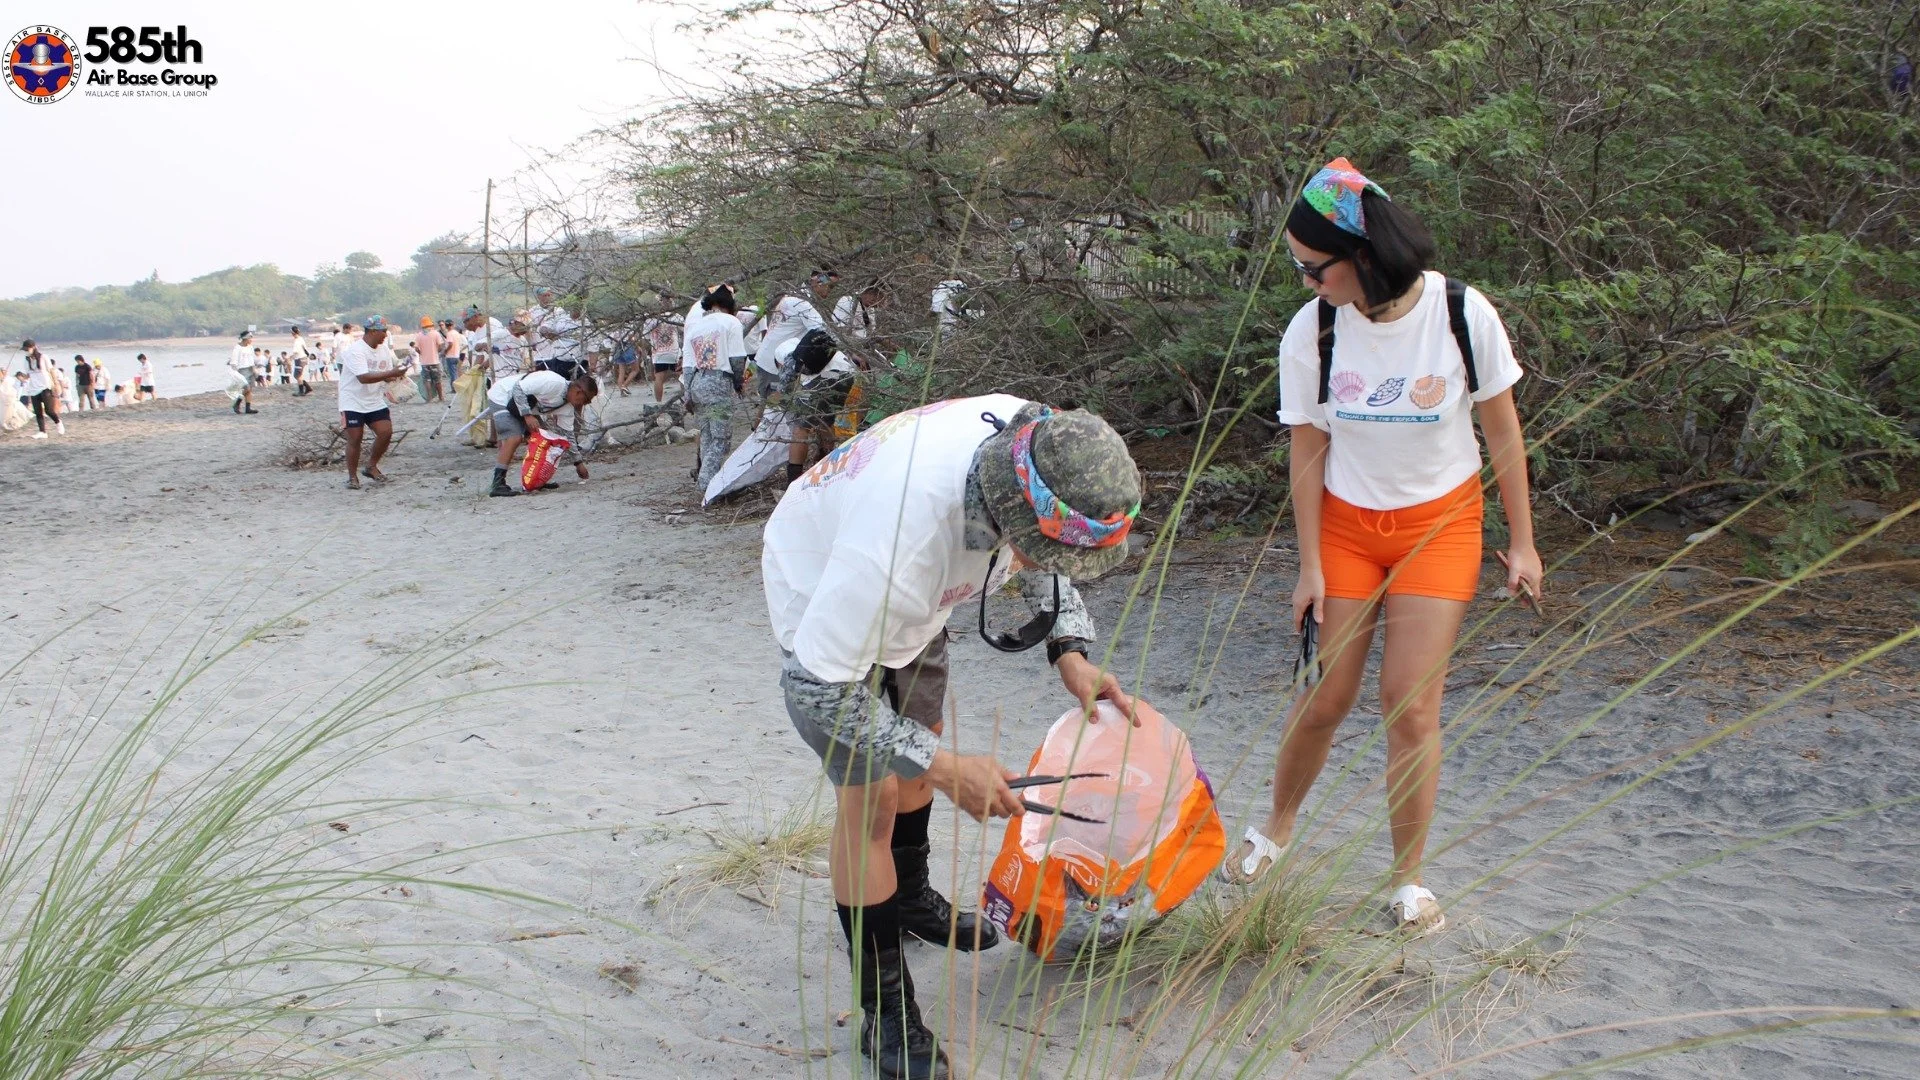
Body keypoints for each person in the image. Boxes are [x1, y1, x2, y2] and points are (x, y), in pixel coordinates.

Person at [763, 396, 1152, 1078]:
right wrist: (946, 769)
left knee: (920, 744)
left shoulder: (1041, 437)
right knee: (874, 799)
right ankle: (886, 1017)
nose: (1038, 556)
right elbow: (817, 693)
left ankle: (908, 896)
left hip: (915, 605)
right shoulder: (893, 549)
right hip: (825, 593)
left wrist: (1071, 650)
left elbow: (1051, 540)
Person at [1222, 158, 1542, 934]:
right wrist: (1310, 565)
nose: (1306, 283)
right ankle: (1276, 827)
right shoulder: (1316, 330)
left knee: (1409, 703)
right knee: (1328, 694)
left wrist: (1524, 544)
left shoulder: (1463, 314)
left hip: (1442, 526)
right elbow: (1306, 452)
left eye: (1313, 268)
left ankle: (1407, 881)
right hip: (1347, 526)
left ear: (1361, 256)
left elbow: (1501, 432)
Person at [481, 369, 597, 497]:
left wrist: (578, 463)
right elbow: (518, 388)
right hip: (502, 396)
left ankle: (536, 480)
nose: (584, 404)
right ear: (578, 391)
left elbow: (568, 435)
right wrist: (527, 415)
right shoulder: (552, 382)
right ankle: (497, 483)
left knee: (546, 439)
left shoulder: (567, 406)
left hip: (521, 406)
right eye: (586, 400)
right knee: (514, 437)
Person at [683, 284, 752, 488]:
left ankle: (707, 482)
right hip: (718, 383)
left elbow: (687, 365)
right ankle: (706, 485)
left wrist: (688, 394)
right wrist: (738, 382)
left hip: (696, 384)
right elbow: (737, 358)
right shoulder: (731, 322)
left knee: (706, 437)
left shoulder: (695, 327)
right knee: (721, 440)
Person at [336, 316, 413, 490]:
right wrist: (389, 374)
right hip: (352, 400)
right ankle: (352, 477)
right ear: (372, 331)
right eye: (383, 331)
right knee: (355, 438)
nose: (385, 335)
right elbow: (363, 377)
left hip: (373, 399)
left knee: (386, 432)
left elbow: (385, 373)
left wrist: (395, 375)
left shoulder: (384, 349)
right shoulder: (355, 350)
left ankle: (371, 466)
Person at [779, 329, 858, 481]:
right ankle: (827, 464)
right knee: (826, 419)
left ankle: (793, 479)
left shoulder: (789, 359)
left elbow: (784, 389)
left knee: (801, 427)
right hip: (846, 374)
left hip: (823, 379)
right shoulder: (810, 347)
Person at [753, 270, 835, 405]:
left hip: (768, 359)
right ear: (818, 283)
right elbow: (822, 331)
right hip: (775, 363)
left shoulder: (790, 297)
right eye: (830, 286)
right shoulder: (801, 303)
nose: (830, 291)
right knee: (775, 410)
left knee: (774, 408)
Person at [13, 340, 64, 437]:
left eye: (27, 349)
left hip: (45, 386)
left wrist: (56, 384)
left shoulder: (43, 357)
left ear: (33, 347)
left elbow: (51, 370)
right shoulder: (26, 360)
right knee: (38, 411)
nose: (26, 351)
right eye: (25, 350)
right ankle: (42, 432)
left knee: (49, 410)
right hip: (33, 388)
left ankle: (58, 422)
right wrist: (20, 377)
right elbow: (28, 375)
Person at [643, 304, 682, 403]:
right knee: (680, 376)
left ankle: (659, 402)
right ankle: (686, 400)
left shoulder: (650, 319)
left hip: (659, 353)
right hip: (674, 352)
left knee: (659, 378)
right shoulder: (675, 316)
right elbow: (683, 329)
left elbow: (646, 337)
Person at [227, 331, 260, 415]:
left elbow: (251, 360)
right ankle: (236, 403)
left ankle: (248, 408)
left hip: (250, 369)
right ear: (245, 338)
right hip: (241, 370)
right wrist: (235, 373)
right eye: (250, 338)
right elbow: (233, 362)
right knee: (246, 388)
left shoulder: (250, 347)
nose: (251, 339)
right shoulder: (237, 348)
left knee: (250, 389)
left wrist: (254, 370)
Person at [413, 317, 444, 402]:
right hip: (435, 361)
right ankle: (441, 397)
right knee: (438, 380)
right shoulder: (435, 333)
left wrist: (421, 353)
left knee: (427, 380)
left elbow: (416, 348)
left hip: (424, 362)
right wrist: (436, 351)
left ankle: (429, 398)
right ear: (431, 325)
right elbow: (441, 346)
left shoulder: (419, 335)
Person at [439, 319, 464, 387]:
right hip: (457, 355)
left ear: (446, 326)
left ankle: (454, 388)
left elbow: (450, 344)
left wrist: (445, 351)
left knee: (452, 373)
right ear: (453, 325)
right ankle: (457, 386)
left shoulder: (449, 334)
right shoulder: (456, 333)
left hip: (450, 356)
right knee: (455, 371)